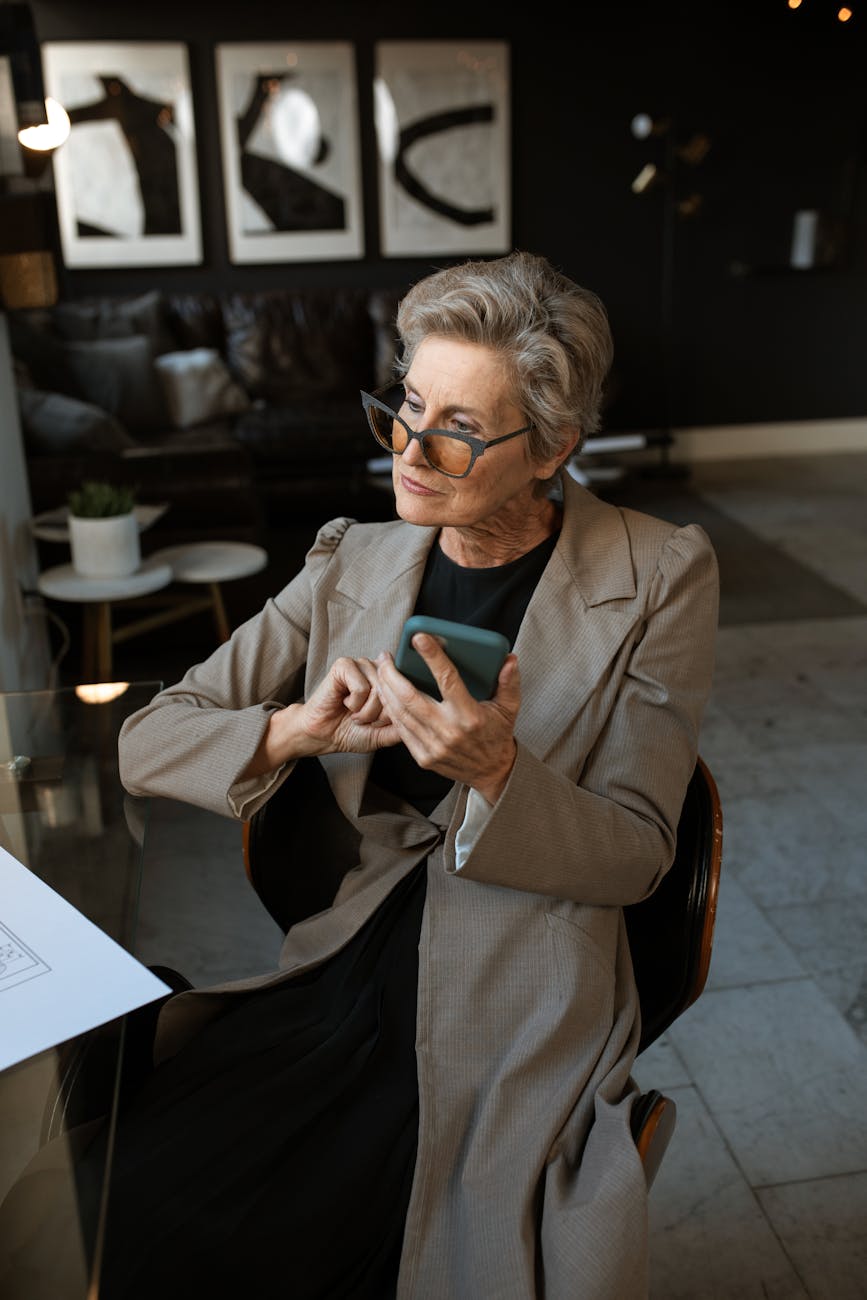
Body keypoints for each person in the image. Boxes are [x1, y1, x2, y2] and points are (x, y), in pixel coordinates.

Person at [1, 250, 719, 1300]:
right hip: (345, 963)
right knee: (123, 1206)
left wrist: (498, 770)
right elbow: (148, 741)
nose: (410, 450)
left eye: (460, 428)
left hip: (519, 983)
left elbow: (641, 853)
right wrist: (293, 728)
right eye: (406, 404)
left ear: (552, 447)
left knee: (348, 1237)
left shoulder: (659, 574)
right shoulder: (350, 557)